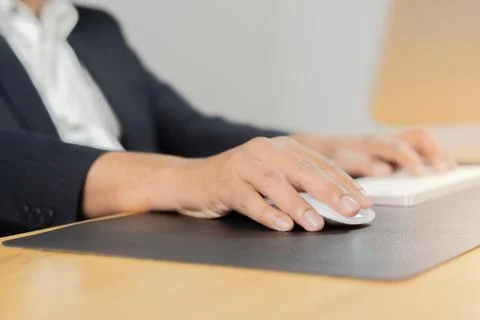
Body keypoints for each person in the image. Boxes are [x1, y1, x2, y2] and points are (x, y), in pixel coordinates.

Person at [0, 0, 454, 235]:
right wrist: (184, 180)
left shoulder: (94, 27)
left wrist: (318, 148)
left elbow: (183, 127)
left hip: (138, 246)